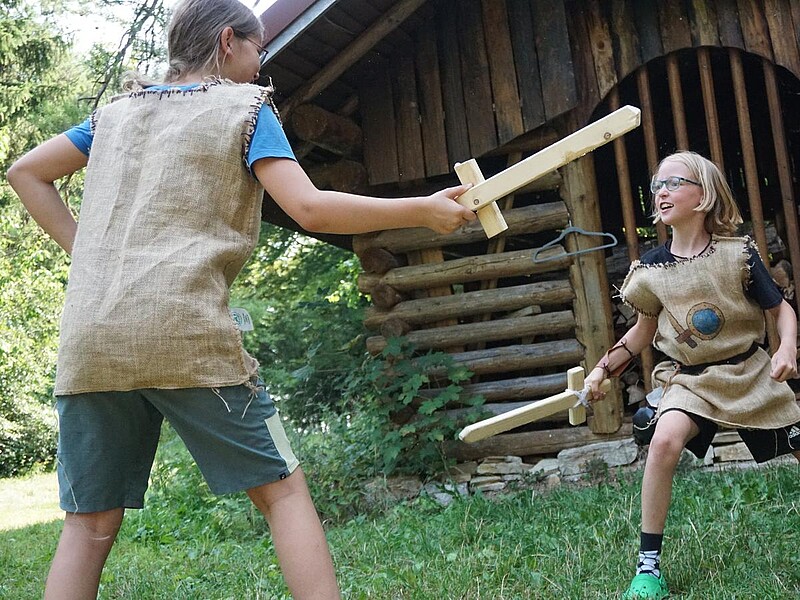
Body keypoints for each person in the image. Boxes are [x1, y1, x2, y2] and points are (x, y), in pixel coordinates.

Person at [6, 0, 477, 598]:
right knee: (282, 493)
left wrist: (93, 260)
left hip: (90, 338)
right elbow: (309, 207)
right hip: (184, 333)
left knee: (89, 523)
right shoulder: (245, 109)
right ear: (229, 41)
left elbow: (26, 171)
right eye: (258, 52)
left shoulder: (114, 115)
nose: (261, 69)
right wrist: (422, 209)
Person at [584, 151, 800, 600]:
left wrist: (787, 348)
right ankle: (648, 568)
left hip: (750, 372)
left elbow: (781, 310)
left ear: (703, 197)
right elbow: (640, 334)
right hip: (690, 380)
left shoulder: (736, 254)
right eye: (655, 186)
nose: (660, 192)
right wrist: (603, 369)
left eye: (673, 183)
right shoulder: (649, 271)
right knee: (663, 441)